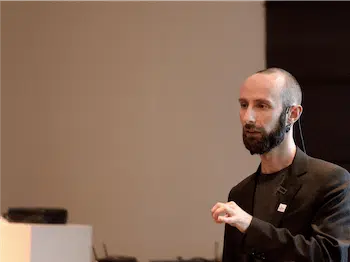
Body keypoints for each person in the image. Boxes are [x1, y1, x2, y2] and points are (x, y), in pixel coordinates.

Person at [211, 68, 350, 261]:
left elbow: (330, 256)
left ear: (293, 114)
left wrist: (252, 226)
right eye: (244, 105)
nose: (248, 118)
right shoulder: (240, 194)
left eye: (262, 105)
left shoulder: (330, 181)